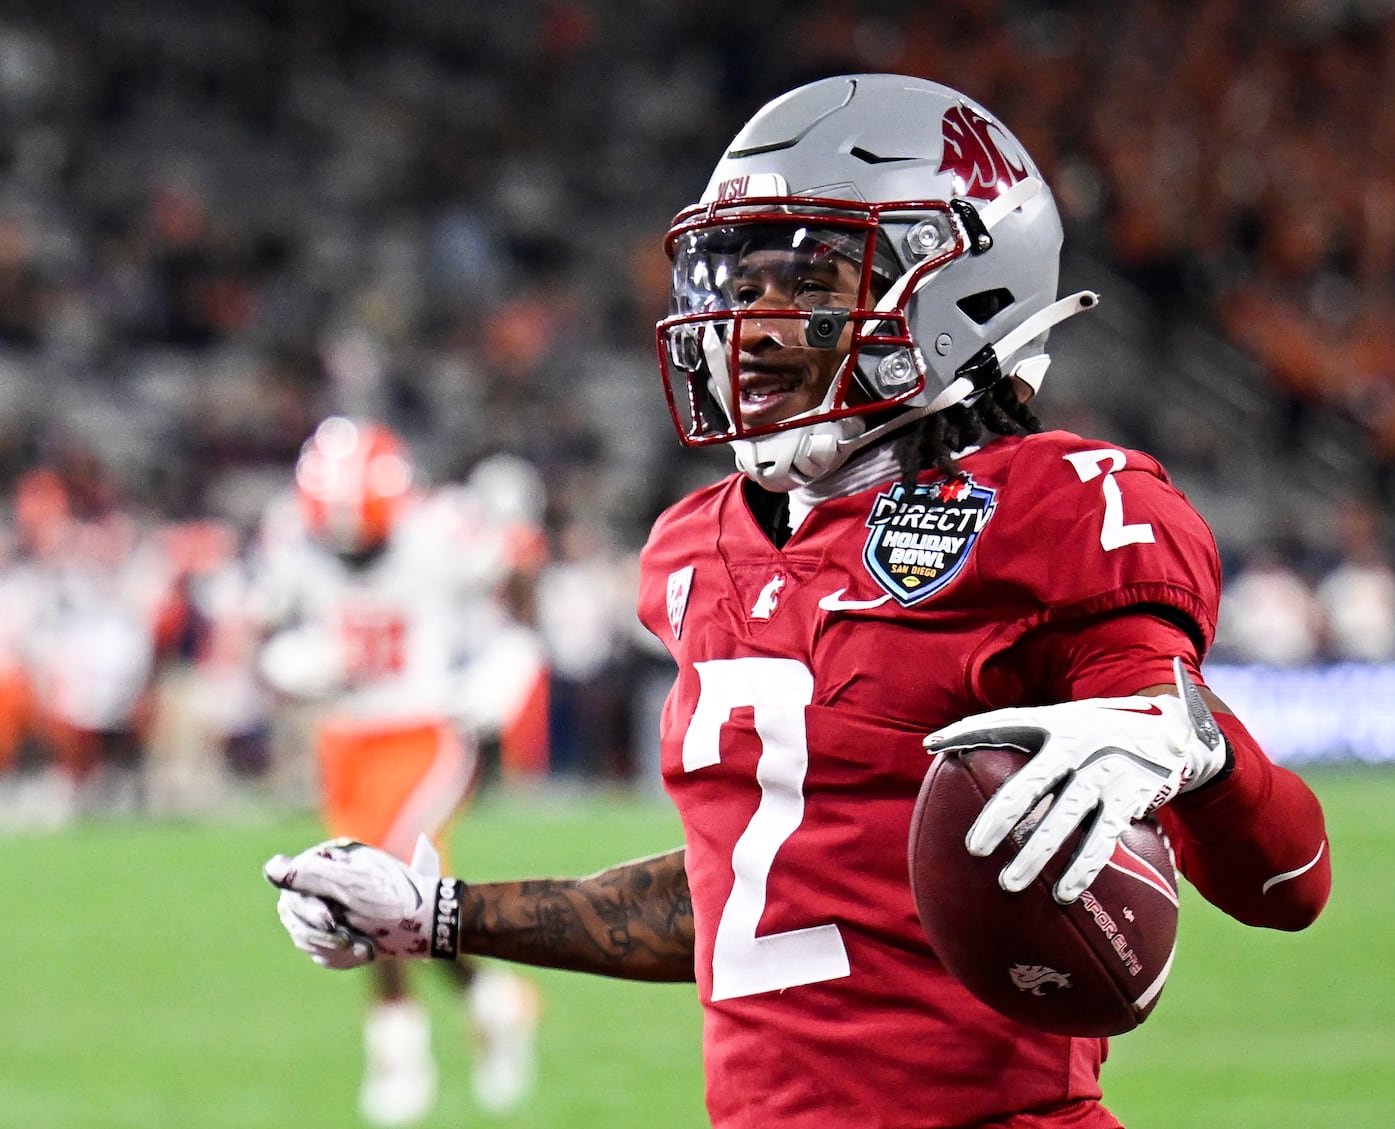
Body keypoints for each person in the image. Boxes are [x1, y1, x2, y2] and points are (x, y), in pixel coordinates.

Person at [264, 75, 1332, 1128]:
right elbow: (744, 897)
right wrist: (442, 915)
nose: (753, 328)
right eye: (740, 283)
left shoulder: (1054, 508)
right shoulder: (697, 547)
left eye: (812, 285)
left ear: (962, 288)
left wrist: (1204, 754)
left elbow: (1289, 882)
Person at [251, 416, 543, 1126]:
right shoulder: (294, 538)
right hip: (345, 741)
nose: (351, 554)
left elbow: (521, 570)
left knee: (368, 886)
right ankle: (493, 1002)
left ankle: (398, 1058)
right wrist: (288, 661)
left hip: (425, 731)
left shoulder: (440, 531)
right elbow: (269, 627)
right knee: (411, 902)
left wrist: (509, 659)